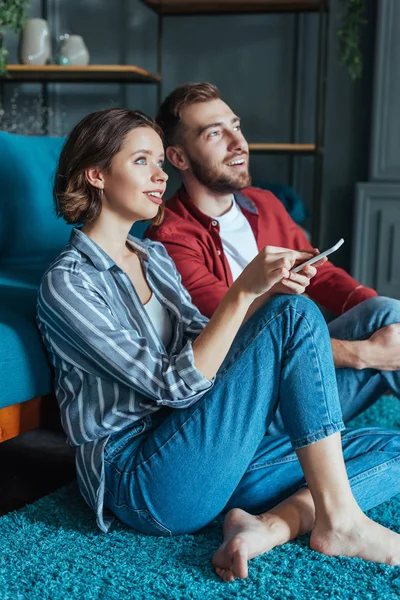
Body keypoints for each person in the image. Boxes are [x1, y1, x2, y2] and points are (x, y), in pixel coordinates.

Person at [37, 108, 400, 584]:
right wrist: (246, 295)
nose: (159, 175)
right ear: (96, 174)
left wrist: (265, 292)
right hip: (145, 482)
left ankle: (270, 526)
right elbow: (172, 386)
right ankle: (340, 520)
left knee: (391, 445)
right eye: (142, 161)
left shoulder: (153, 257)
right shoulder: (68, 283)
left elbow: (205, 341)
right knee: (292, 315)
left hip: (205, 448)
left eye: (158, 163)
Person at [146, 82, 400, 432]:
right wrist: (363, 354)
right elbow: (239, 334)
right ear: (178, 158)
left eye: (236, 126)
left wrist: (385, 327)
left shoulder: (263, 203)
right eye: (215, 134)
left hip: (298, 374)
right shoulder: (170, 239)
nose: (239, 143)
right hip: (253, 407)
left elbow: (320, 274)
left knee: (387, 315)